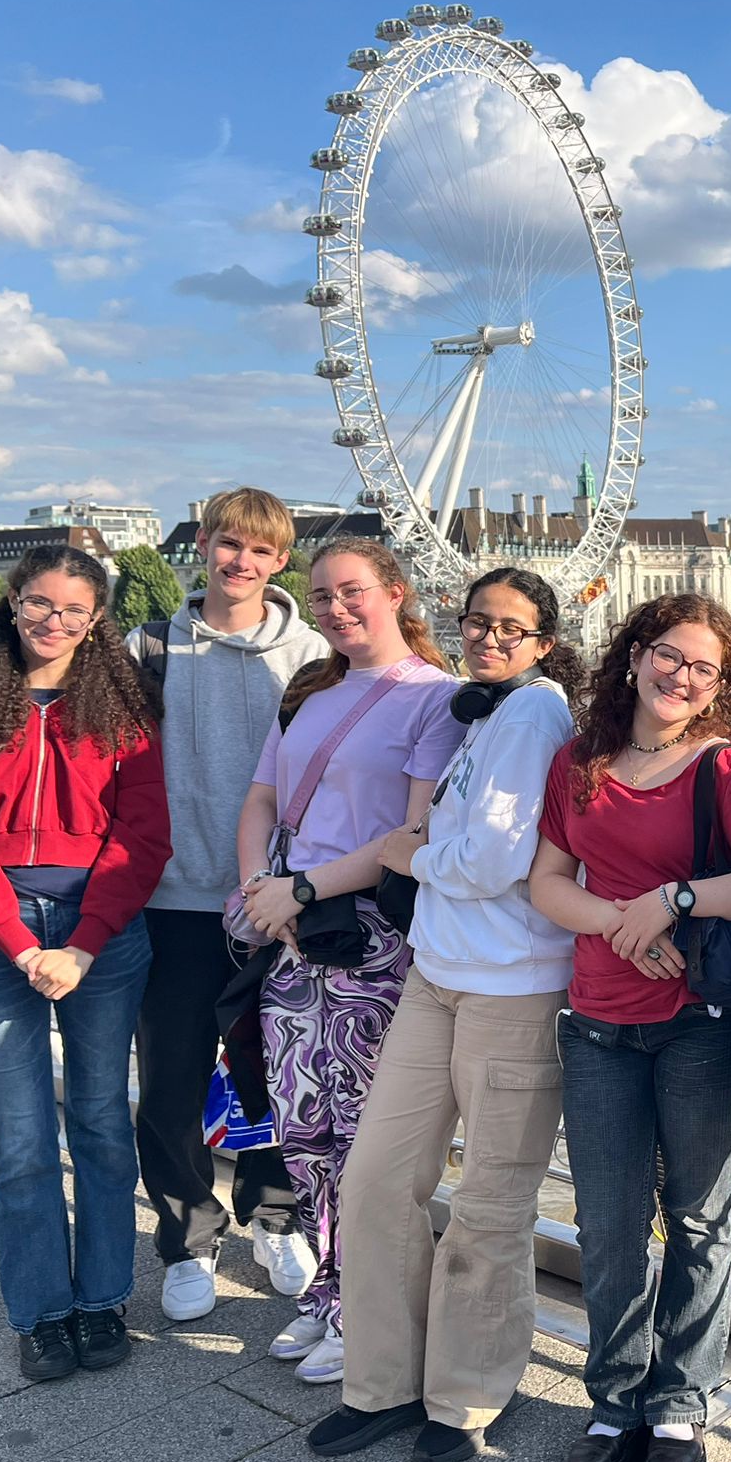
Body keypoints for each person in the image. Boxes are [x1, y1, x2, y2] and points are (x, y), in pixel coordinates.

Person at [305, 568, 581, 1462]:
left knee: (491, 1206)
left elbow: (496, 859)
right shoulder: (486, 716)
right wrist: (430, 854)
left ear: (545, 641)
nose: (489, 638)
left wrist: (408, 852)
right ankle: (383, 1380)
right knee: (378, 1181)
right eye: (477, 622)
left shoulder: (537, 712)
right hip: (437, 976)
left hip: (514, 984)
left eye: (511, 627)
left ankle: (465, 1397)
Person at [530, 594, 731, 1462]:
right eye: (670, 657)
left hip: (702, 1027)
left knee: (697, 1217)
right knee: (607, 1225)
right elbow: (547, 883)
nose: (683, 677)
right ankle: (615, 1400)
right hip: (597, 1022)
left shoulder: (727, 772)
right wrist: (618, 921)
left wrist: (676, 901)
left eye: (705, 667)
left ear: (722, 683)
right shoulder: (581, 762)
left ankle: (680, 1406)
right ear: (636, 656)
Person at [0, 546, 171, 1380]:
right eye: (39, 605)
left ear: (96, 621)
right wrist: (19, 943)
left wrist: (85, 942)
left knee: (98, 1120)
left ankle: (102, 1300)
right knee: (19, 1136)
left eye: (73, 611)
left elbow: (143, 836)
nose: (54, 623)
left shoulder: (126, 711)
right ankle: (40, 1311)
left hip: (103, 935)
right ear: (13, 603)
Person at [232, 537, 465, 1385]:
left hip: (369, 940)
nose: (335, 608)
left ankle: (371, 1307)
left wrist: (300, 888)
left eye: (352, 591)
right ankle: (328, 1294)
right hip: (291, 938)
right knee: (304, 1129)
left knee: (370, 1140)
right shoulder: (312, 689)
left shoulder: (435, 699)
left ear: (395, 593)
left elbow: (413, 835)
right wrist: (261, 886)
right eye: (321, 595)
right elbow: (262, 798)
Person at [128, 487, 330, 1325]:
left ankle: (274, 1214)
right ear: (203, 546)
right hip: (174, 897)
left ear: (281, 560)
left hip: (276, 903)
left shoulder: (313, 652)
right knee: (171, 1081)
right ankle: (186, 1238)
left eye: (258, 551)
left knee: (273, 1075)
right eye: (226, 546)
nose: (239, 563)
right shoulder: (151, 647)